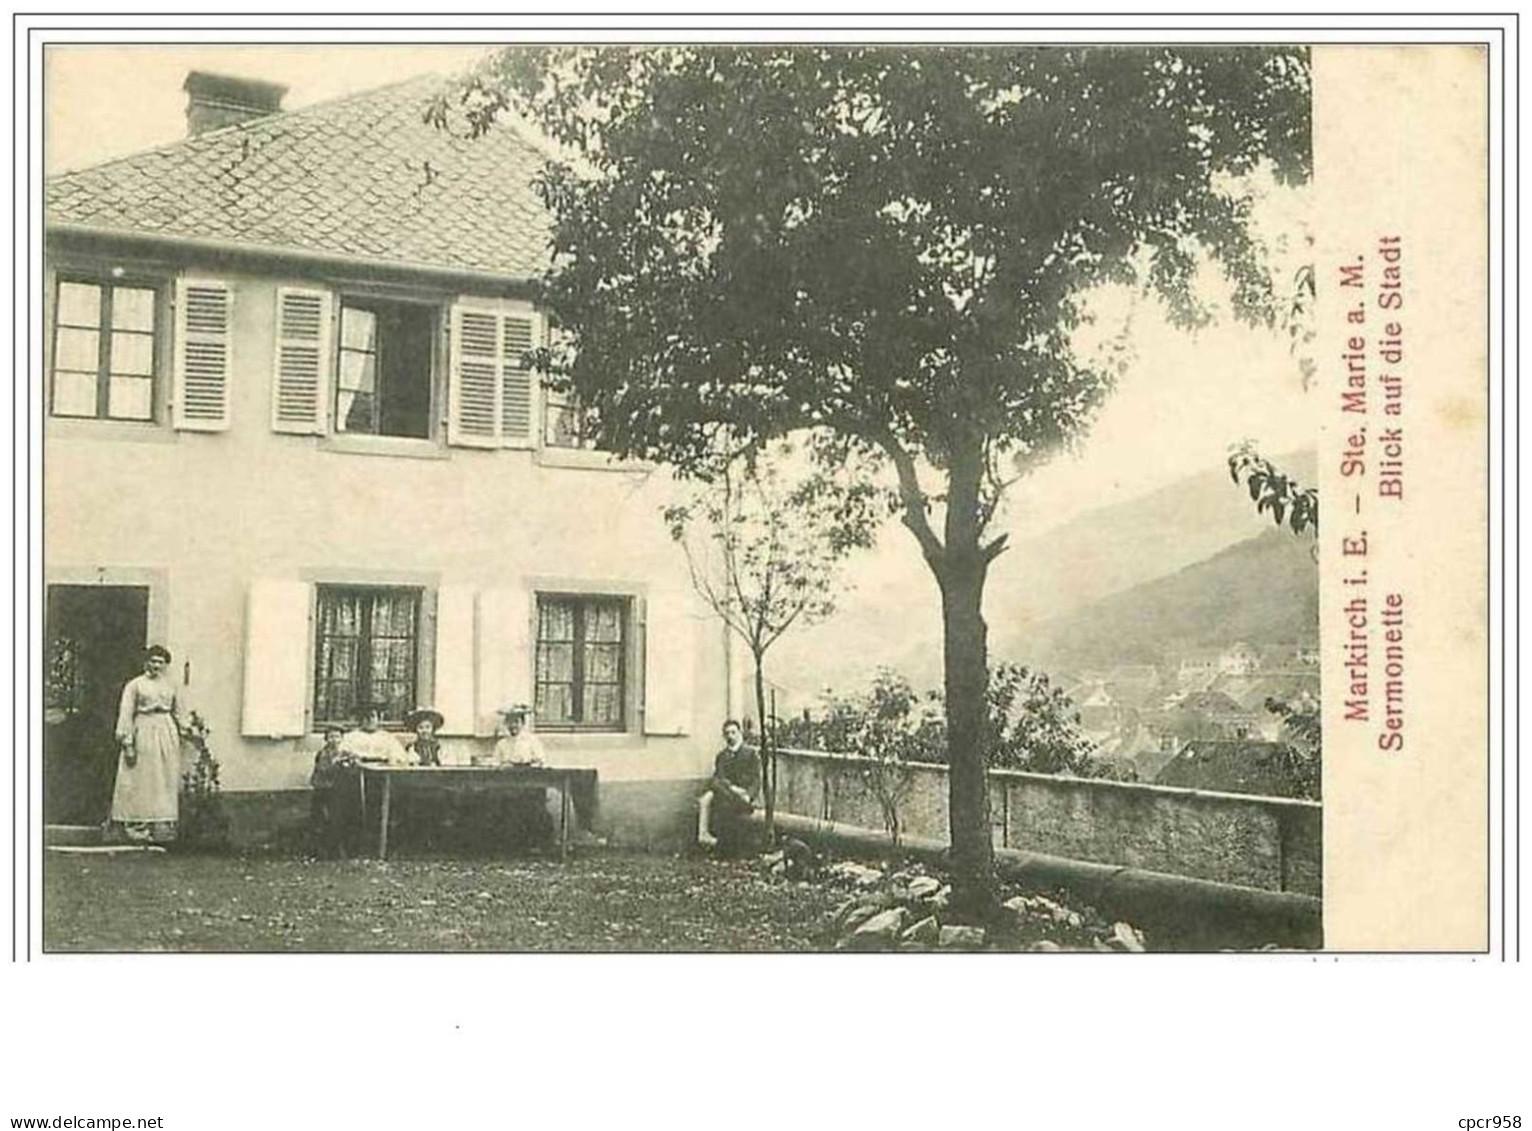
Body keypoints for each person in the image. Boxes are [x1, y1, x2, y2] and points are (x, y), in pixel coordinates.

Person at [108, 644, 185, 845]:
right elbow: (126, 713)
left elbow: (179, 712)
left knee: (163, 778)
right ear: (146, 662)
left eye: (161, 662)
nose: (156, 665)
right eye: (153, 661)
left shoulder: (171, 685)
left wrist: (186, 730)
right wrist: (127, 742)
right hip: (143, 728)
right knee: (140, 776)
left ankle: (161, 828)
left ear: (165, 665)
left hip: (166, 730)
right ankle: (135, 827)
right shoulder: (135, 685)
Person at [697, 719, 760, 854]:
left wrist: (749, 795)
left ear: (739, 733)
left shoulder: (750, 754)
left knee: (715, 785)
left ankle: (743, 804)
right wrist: (731, 788)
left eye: (733, 732)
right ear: (724, 736)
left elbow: (756, 780)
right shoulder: (722, 756)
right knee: (715, 784)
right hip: (727, 794)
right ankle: (716, 842)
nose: (730, 736)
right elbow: (720, 777)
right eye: (727, 733)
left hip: (742, 794)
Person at [308, 724, 351, 857]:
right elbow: (324, 770)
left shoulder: (343, 752)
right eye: (331, 737)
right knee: (322, 818)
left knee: (337, 817)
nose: (334, 740)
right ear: (326, 739)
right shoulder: (323, 754)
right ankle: (321, 850)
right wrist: (336, 762)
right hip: (323, 789)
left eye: (337, 736)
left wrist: (350, 761)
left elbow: (353, 761)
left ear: (341, 739)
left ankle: (336, 848)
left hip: (336, 789)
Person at [339, 704, 413, 765]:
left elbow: (400, 756)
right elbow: (344, 754)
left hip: (383, 770)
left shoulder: (387, 737)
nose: (369, 720)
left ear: (378, 719)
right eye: (365, 717)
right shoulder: (351, 737)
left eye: (372, 716)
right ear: (360, 720)